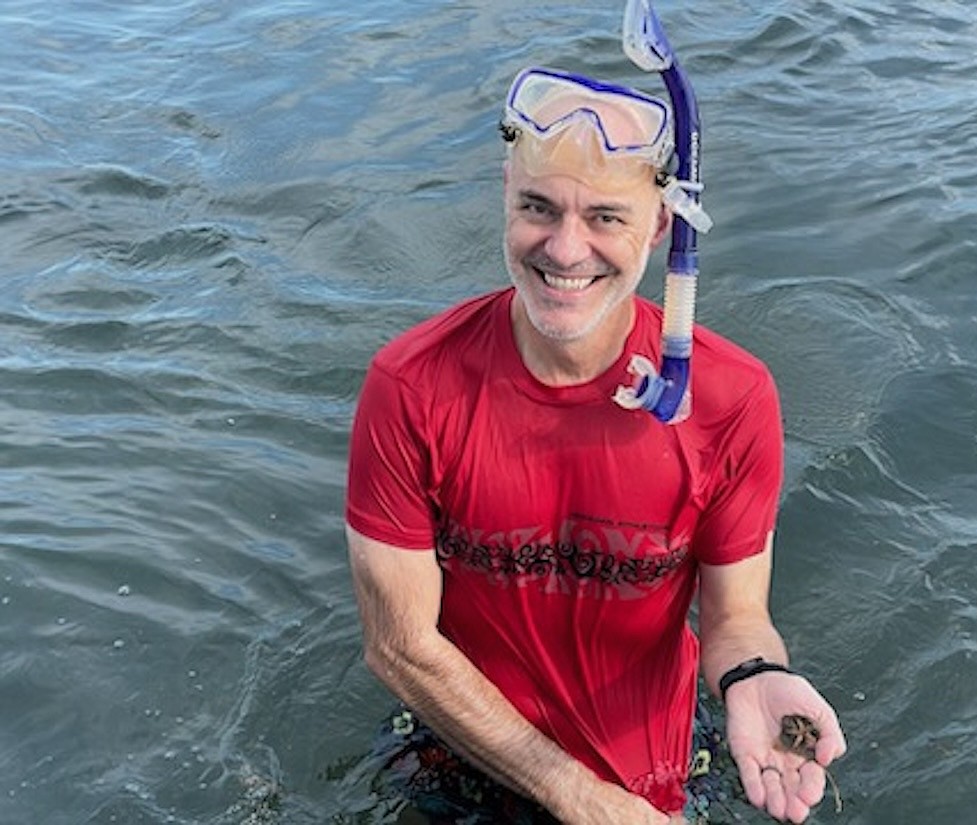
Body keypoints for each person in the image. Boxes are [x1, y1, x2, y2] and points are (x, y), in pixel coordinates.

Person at [346, 63, 847, 824]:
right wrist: (573, 791)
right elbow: (399, 646)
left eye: (606, 217)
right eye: (537, 208)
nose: (566, 249)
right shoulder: (412, 386)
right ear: (504, 195)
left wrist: (753, 675)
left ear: (660, 225)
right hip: (461, 754)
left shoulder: (732, 398)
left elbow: (736, 613)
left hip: (656, 777)